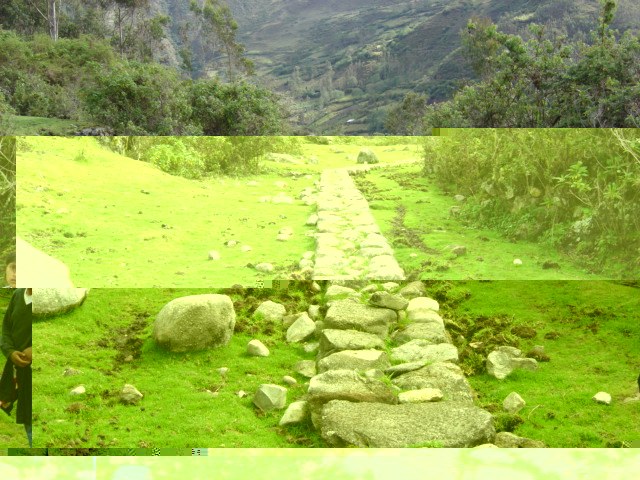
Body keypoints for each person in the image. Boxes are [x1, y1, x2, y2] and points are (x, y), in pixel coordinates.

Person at [0, 287, 32, 447]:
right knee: (27, 420)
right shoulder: (18, 295)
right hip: (18, 369)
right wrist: (10, 352)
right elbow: (6, 329)